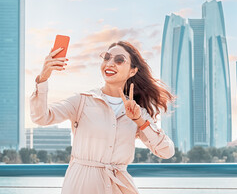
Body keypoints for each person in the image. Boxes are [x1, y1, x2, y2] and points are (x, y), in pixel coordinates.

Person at [30, 41, 175, 194]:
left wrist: (139, 121)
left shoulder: (138, 113)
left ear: (132, 71)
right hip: (80, 186)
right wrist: (43, 79)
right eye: (106, 58)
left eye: (119, 60)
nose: (110, 63)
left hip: (119, 188)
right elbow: (40, 117)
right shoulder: (81, 101)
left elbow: (166, 152)